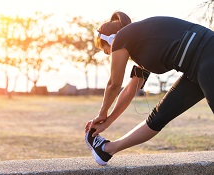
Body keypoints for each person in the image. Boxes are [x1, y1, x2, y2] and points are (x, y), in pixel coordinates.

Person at [84, 11, 214, 166]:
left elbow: (114, 84)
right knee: (159, 116)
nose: (107, 53)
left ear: (112, 39)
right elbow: (130, 90)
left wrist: (102, 113)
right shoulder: (141, 48)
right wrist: (108, 121)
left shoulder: (122, 38)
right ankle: (106, 150)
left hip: (209, 56)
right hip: (195, 70)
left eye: (105, 49)